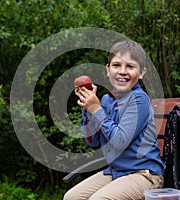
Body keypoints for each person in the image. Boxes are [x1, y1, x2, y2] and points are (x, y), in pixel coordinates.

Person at [64, 39, 164, 200]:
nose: (122, 71)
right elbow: (93, 141)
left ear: (141, 73)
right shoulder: (106, 100)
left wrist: (96, 109)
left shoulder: (139, 100)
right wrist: (88, 110)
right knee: (71, 197)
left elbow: (120, 141)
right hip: (117, 172)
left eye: (130, 66)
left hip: (144, 174)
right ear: (107, 69)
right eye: (116, 65)